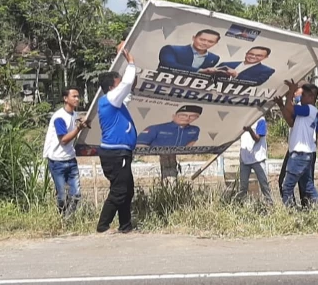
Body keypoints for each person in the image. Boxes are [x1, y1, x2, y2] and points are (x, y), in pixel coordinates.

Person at [96, 48, 137, 233]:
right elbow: (127, 83)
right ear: (112, 87)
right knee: (119, 191)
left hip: (120, 153)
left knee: (127, 190)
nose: (122, 86)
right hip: (115, 153)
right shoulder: (110, 99)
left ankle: (125, 226)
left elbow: (130, 87)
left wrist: (134, 71)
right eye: (118, 83)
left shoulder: (117, 102)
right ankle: (103, 226)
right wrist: (130, 61)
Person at [43, 87, 89, 218]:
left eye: (78, 96)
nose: (77, 99)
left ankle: (67, 219)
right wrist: (79, 128)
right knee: (62, 196)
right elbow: (63, 140)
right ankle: (62, 218)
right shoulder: (59, 117)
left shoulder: (74, 115)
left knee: (76, 194)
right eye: (74, 96)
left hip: (70, 159)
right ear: (65, 98)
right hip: (57, 161)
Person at [277, 81, 318, 208]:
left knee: (287, 186)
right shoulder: (305, 111)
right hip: (304, 153)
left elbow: (291, 108)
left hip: (300, 153)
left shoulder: (309, 110)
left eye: (304, 95)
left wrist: (290, 92)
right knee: (308, 186)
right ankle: (317, 210)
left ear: (312, 97)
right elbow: (291, 121)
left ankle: (291, 212)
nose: (301, 97)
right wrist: (281, 105)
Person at [236, 117, 273, 205]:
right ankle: (241, 204)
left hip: (258, 157)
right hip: (245, 157)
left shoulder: (261, 119)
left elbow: (257, 138)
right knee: (243, 185)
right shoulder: (243, 118)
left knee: (264, 184)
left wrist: (250, 130)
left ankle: (269, 204)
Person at [136, 105, 202, 147]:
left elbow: (190, 144)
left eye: (193, 116)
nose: (187, 118)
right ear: (174, 116)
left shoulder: (195, 130)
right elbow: (140, 145)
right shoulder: (155, 128)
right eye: (183, 115)